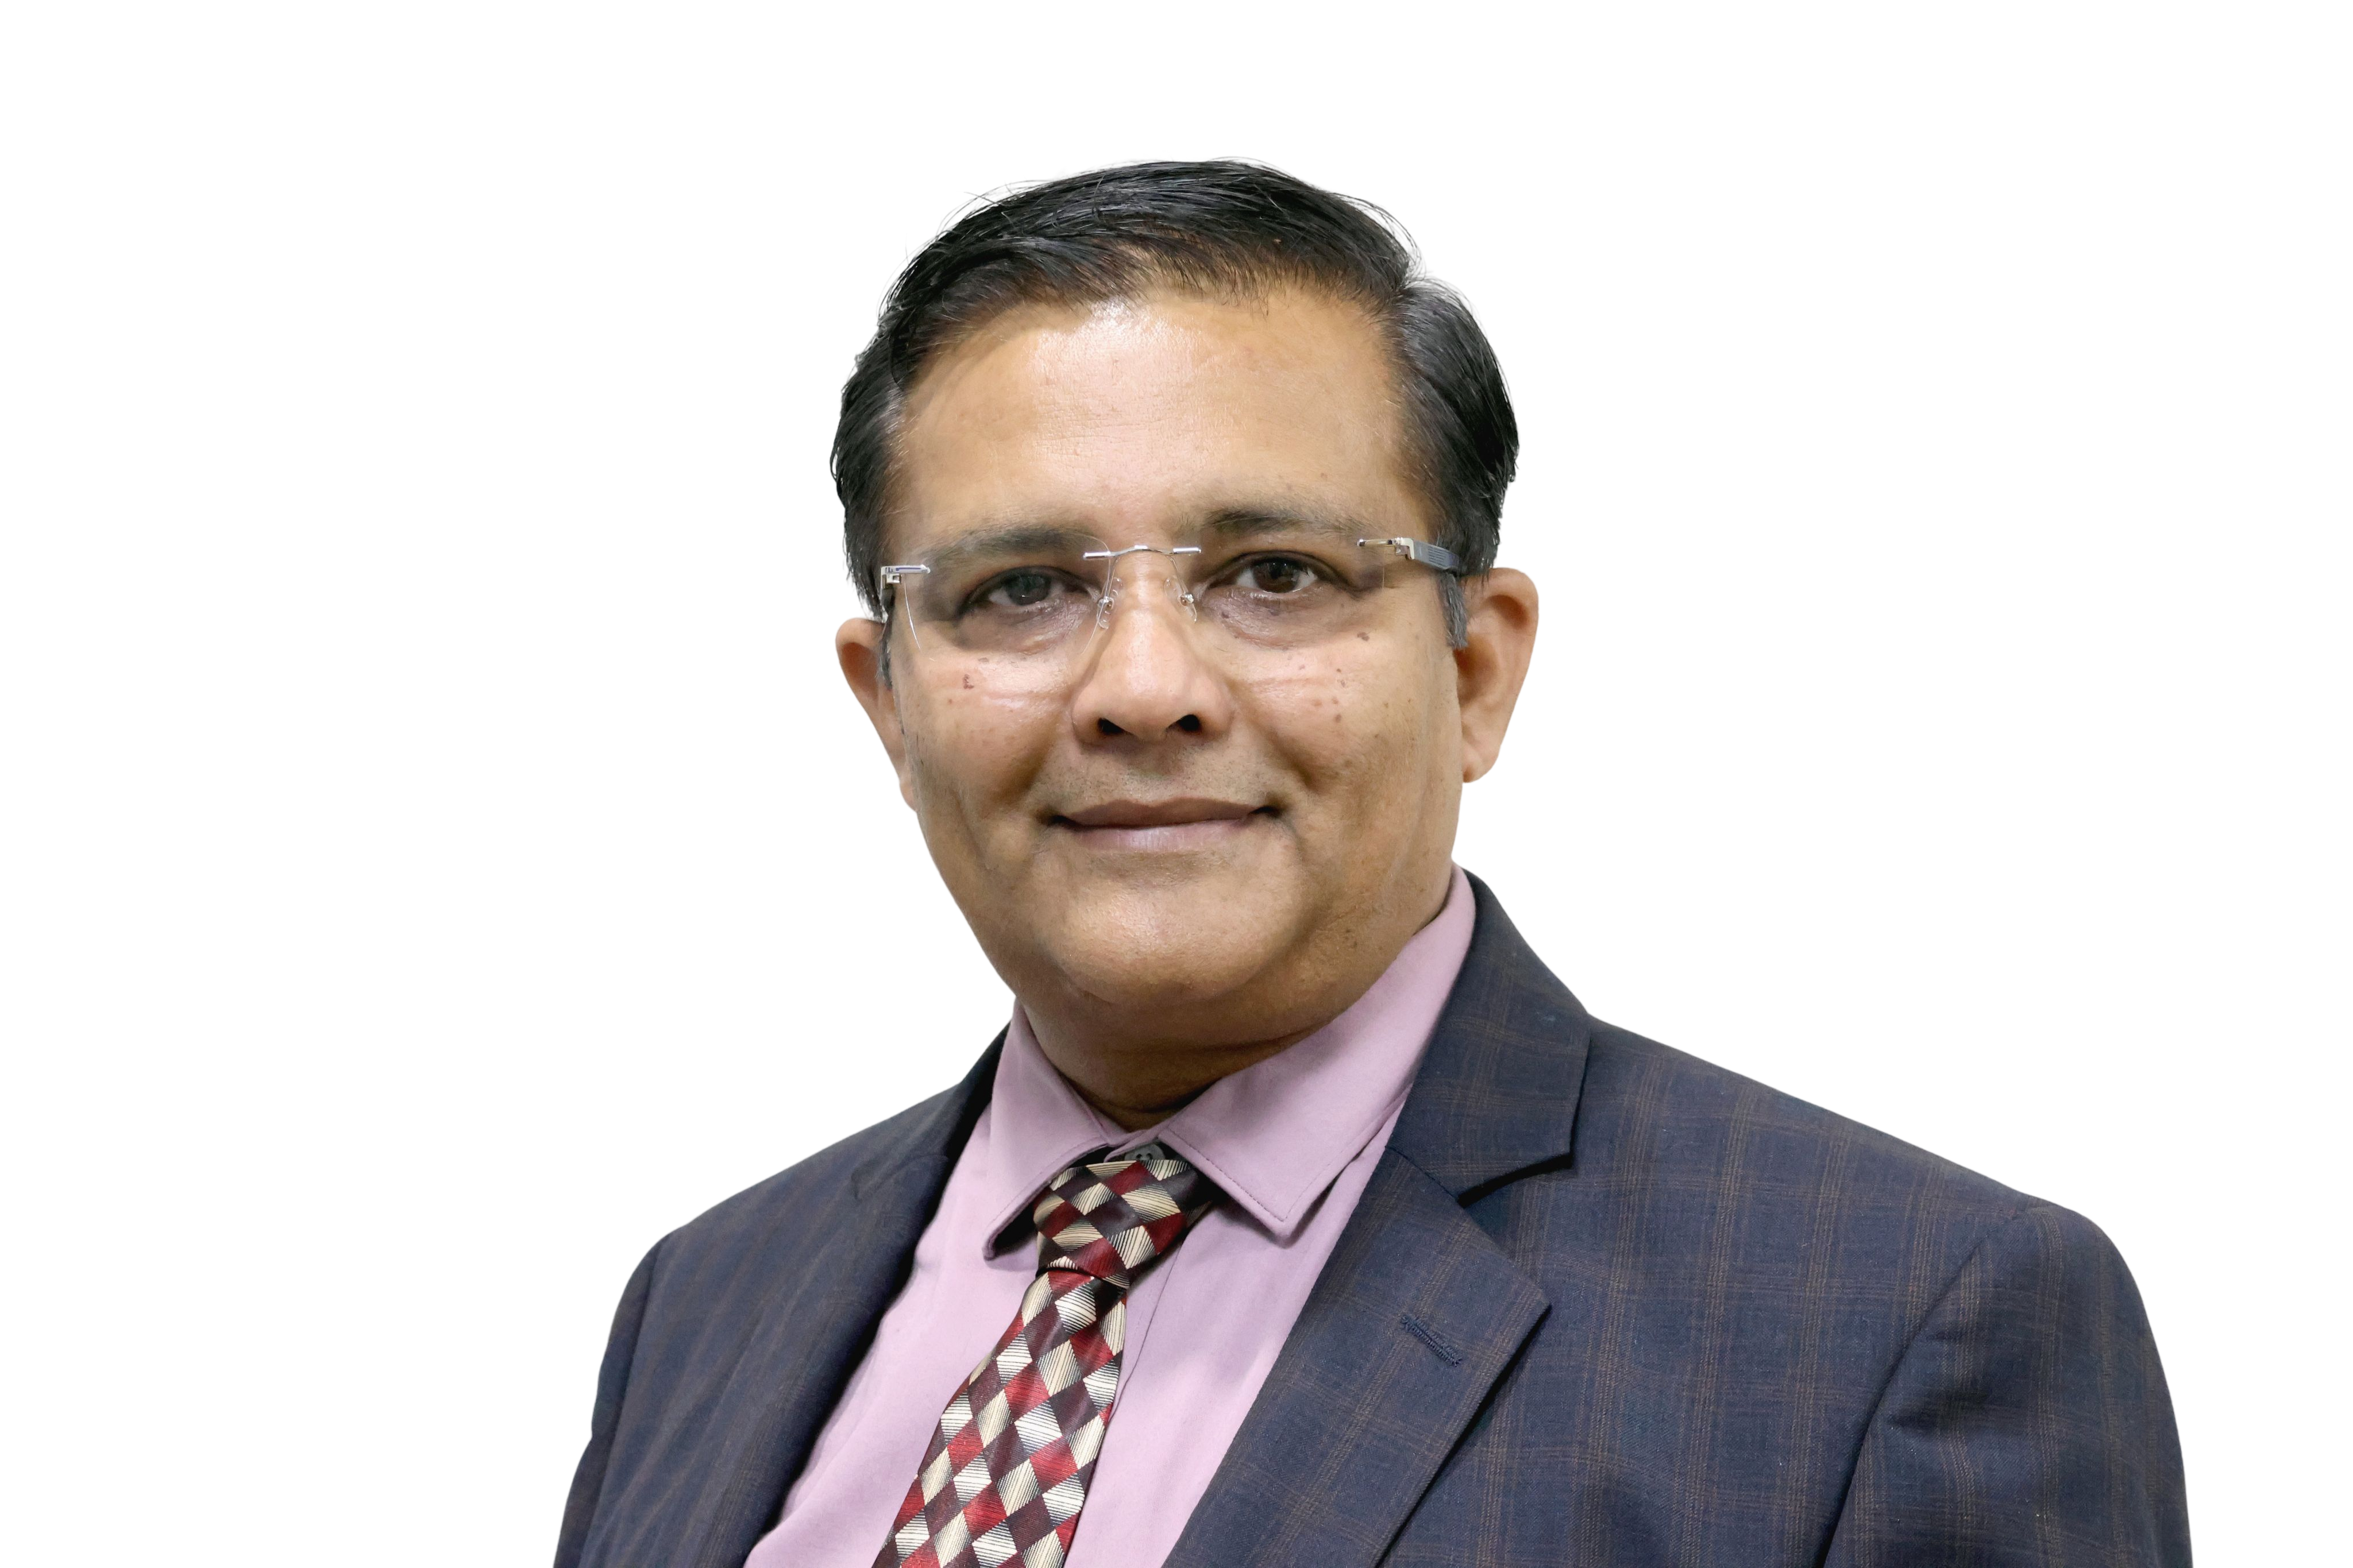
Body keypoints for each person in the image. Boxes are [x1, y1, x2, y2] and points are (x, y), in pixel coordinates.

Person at [553, 156, 2190, 1568]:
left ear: (1479, 672)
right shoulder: (702, 1301)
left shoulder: (1912, 1322)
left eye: (1275, 573)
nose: (1144, 689)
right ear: (889, 708)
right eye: (1020, 590)